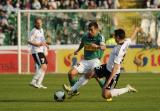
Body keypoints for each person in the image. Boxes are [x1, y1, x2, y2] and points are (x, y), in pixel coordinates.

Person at [63, 28, 140, 100]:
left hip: (113, 73)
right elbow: (131, 38)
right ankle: (72, 89)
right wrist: (136, 30)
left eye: (115, 36)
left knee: (105, 95)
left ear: (118, 37)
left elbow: (116, 67)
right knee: (89, 74)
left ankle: (127, 89)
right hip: (106, 67)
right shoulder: (126, 42)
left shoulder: (119, 51)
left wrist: (109, 80)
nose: (114, 38)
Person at [66, 21, 106, 95]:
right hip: (85, 61)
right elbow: (82, 43)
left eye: (92, 30)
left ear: (97, 29)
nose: (90, 32)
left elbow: (104, 47)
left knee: (98, 77)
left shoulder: (100, 37)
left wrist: (97, 46)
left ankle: (107, 92)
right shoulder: (85, 36)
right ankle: (74, 91)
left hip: (95, 61)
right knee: (71, 73)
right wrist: (77, 50)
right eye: (89, 30)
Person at [28, 17, 49, 89]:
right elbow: (29, 41)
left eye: (40, 22)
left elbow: (42, 40)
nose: (39, 24)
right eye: (38, 23)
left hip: (41, 51)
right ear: (35, 23)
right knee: (43, 66)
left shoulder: (41, 30)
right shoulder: (33, 31)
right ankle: (33, 81)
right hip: (36, 51)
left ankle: (39, 83)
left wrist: (45, 45)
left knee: (45, 66)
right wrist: (36, 44)